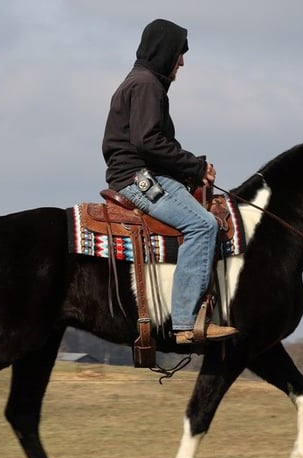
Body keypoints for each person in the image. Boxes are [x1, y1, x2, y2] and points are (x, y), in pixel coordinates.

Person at [102, 18, 238, 345]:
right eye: (179, 53)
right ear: (164, 51)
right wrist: (195, 166)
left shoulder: (141, 82)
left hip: (138, 172)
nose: (182, 62)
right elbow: (148, 141)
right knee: (203, 225)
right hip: (139, 177)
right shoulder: (147, 85)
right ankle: (184, 323)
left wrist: (191, 167)